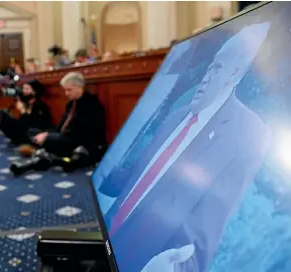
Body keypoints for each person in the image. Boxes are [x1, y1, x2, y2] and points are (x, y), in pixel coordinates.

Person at [97, 23, 272, 272]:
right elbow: (143, 176)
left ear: (235, 75)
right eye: (210, 66)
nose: (206, 76)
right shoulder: (177, 115)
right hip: (109, 235)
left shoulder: (250, 132)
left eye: (218, 68)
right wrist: (106, 175)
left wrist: (178, 269)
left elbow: (207, 232)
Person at [30, 72, 106, 158]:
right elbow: (61, 125)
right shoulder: (70, 104)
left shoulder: (91, 104)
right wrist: (47, 133)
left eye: (69, 90)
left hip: (78, 141)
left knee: (47, 139)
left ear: (80, 87)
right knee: (32, 132)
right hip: (64, 136)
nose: (66, 93)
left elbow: (79, 132)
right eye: (65, 90)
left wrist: (49, 136)